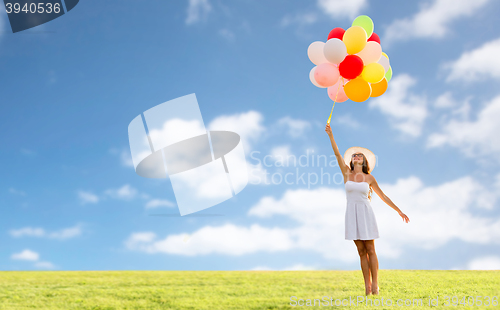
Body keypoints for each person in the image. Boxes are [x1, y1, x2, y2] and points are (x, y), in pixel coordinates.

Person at [325, 123, 410, 296]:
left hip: (365, 213)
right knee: (361, 252)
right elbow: (336, 153)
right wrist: (331, 135)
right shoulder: (346, 173)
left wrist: (399, 210)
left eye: (360, 155)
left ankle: (376, 284)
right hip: (351, 214)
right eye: (354, 155)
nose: (356, 156)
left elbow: (383, 196)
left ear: (364, 161)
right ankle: (367, 287)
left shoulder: (369, 177)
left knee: (371, 249)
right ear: (352, 160)